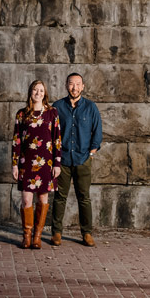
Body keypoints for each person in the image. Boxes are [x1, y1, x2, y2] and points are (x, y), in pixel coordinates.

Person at [50, 72, 102, 247]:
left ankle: (87, 233)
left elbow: (98, 132)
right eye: (71, 84)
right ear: (66, 85)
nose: (75, 87)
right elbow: (50, 133)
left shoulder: (90, 107)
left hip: (83, 159)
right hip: (62, 159)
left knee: (84, 197)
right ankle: (56, 232)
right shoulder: (57, 107)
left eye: (78, 84)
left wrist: (92, 153)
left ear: (83, 86)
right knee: (59, 197)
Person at [11, 79, 62, 249]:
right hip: (27, 163)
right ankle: (26, 235)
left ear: (45, 93)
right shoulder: (22, 114)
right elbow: (16, 141)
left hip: (46, 163)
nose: (38, 93)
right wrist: (15, 164)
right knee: (26, 200)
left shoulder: (52, 113)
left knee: (42, 199)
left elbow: (57, 140)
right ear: (30, 93)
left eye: (41, 90)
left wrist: (57, 163)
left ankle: (37, 237)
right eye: (35, 90)